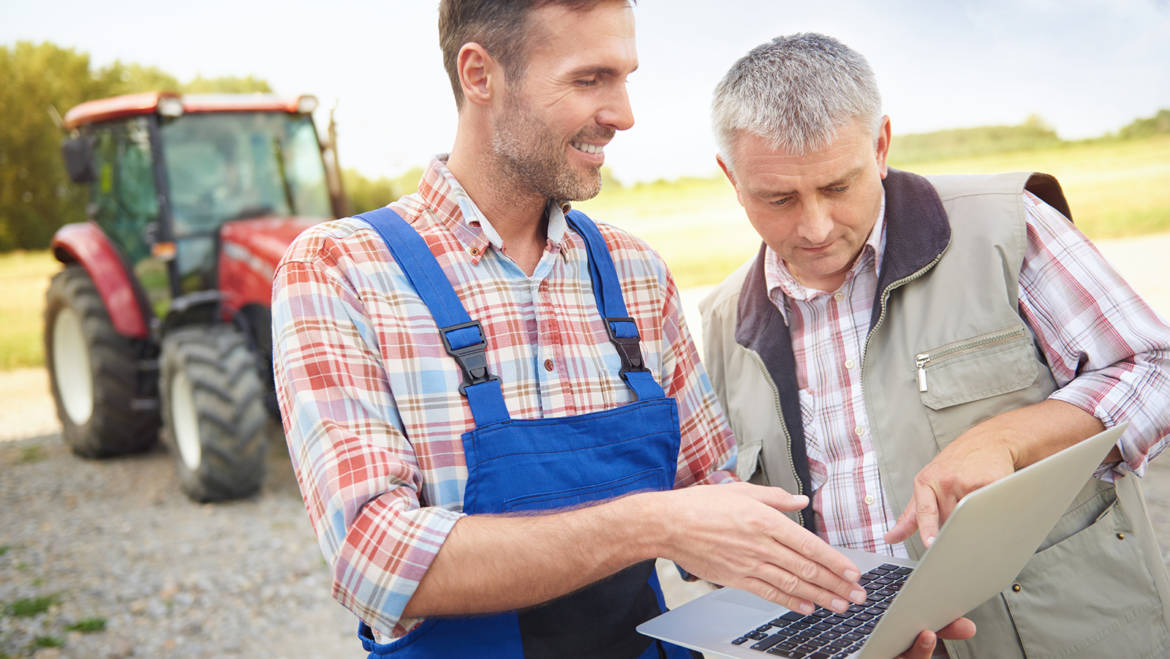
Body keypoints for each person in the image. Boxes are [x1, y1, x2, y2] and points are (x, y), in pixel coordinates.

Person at [271, 5, 882, 658]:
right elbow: (376, 559)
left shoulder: (633, 271)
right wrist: (653, 523)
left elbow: (709, 505)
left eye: (624, 78)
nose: (623, 113)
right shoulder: (343, 270)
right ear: (481, 75)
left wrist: (855, 609)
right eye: (591, 79)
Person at [700, 32, 1170, 658]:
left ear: (882, 144)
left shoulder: (1008, 225)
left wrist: (1008, 438)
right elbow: (719, 516)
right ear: (731, 177)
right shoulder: (721, 319)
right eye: (778, 198)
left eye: (839, 187)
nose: (814, 227)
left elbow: (1155, 366)